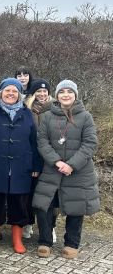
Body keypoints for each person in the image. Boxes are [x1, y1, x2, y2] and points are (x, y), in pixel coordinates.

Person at [33, 80, 99, 259]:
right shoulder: (47, 116)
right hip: (52, 168)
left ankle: (71, 243)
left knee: (76, 207)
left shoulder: (86, 117)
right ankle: (45, 242)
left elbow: (90, 143)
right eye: (62, 91)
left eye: (70, 91)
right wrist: (57, 162)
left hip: (78, 171)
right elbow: (42, 141)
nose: (66, 95)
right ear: (57, 95)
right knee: (44, 205)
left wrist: (71, 164)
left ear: (75, 95)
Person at [0, 78, 40, 254]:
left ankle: (17, 240)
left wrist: (36, 164)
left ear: (19, 94)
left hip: (21, 166)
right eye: (7, 91)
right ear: (1, 93)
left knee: (19, 204)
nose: (11, 94)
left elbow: (34, 141)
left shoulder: (27, 113)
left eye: (15, 91)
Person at [23, 78, 55, 240]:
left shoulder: (56, 108)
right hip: (30, 157)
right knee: (29, 193)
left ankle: (51, 227)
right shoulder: (26, 110)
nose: (42, 94)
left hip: (50, 158)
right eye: (38, 91)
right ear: (33, 93)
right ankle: (28, 222)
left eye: (45, 91)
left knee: (49, 195)